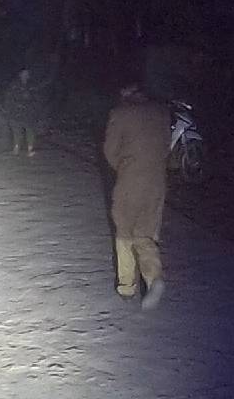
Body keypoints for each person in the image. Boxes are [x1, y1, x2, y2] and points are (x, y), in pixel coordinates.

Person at [103, 83, 172, 309]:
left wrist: (124, 167)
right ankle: (154, 277)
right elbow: (167, 147)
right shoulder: (161, 112)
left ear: (126, 92)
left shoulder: (120, 114)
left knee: (124, 231)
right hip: (157, 182)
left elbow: (110, 150)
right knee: (145, 234)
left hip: (130, 181)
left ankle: (127, 287)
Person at [3, 67, 45, 156]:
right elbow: (9, 98)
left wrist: (35, 109)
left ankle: (30, 149)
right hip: (16, 112)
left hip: (29, 112)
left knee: (30, 130)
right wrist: (9, 109)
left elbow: (37, 99)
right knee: (16, 131)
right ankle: (16, 148)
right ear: (20, 75)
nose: (25, 76)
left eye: (27, 74)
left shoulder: (32, 86)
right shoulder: (14, 85)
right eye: (24, 74)